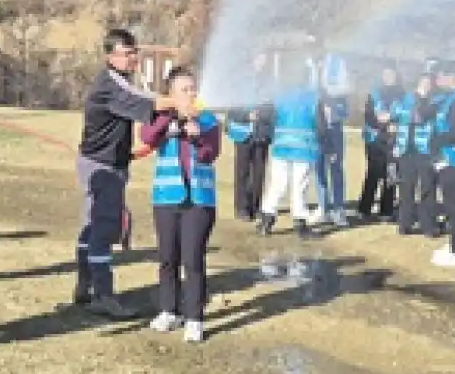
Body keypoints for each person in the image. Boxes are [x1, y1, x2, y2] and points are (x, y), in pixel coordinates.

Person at [74, 28, 180, 319]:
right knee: (104, 229)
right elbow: (150, 103)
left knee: (90, 226)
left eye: (135, 52)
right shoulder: (111, 84)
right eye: (128, 53)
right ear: (111, 56)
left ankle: (84, 287)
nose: (133, 58)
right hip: (103, 167)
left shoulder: (119, 81)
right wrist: (184, 101)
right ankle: (103, 295)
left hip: (102, 162)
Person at [139, 67, 221, 343]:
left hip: (199, 201)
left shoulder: (208, 119)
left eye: (193, 88)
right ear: (171, 94)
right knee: (167, 257)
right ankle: (168, 310)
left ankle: (195, 317)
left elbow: (211, 154)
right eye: (184, 89)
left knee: (193, 259)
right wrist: (169, 121)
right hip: (166, 198)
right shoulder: (161, 115)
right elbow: (147, 137)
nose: (191, 93)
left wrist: (197, 136)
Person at [417, 61, 455, 268]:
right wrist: (423, 95)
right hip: (449, 160)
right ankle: (454, 246)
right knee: (453, 205)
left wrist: (437, 141)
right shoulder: (447, 99)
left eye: (441, 76)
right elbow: (422, 114)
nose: (437, 80)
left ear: (454, 77)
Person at [257, 57, 325, 239]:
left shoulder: (279, 95)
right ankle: (300, 223)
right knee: (299, 185)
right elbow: (320, 124)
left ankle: (266, 219)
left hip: (281, 146)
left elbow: (267, 117)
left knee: (277, 183)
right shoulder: (313, 98)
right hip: (304, 147)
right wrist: (322, 141)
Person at [393, 68, 442, 238]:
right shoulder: (405, 99)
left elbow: (435, 122)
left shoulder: (436, 101)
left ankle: (428, 226)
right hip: (406, 149)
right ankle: (404, 223)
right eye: (424, 82)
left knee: (427, 188)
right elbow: (395, 113)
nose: (427, 86)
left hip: (426, 150)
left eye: (430, 83)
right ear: (418, 83)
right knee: (406, 187)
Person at [225, 54, 273, 221]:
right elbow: (231, 109)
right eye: (259, 57)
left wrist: (263, 115)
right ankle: (242, 208)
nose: (263, 61)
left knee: (259, 172)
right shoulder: (239, 82)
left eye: (264, 58)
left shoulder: (270, 82)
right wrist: (247, 116)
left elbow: (273, 107)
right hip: (243, 132)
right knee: (242, 171)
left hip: (262, 133)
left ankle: (256, 206)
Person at [358, 60, 403, 222]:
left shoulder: (403, 95)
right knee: (373, 173)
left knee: (390, 174)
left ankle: (387, 209)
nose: (388, 77)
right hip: (374, 139)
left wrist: (394, 123)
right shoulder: (374, 93)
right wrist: (381, 124)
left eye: (391, 74)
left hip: (393, 140)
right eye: (385, 74)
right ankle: (365, 208)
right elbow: (368, 115)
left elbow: (404, 115)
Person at [312, 50, 350, 227]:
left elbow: (346, 88)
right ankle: (323, 207)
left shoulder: (337, 61)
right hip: (315, 124)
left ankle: (339, 209)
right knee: (318, 167)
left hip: (333, 123)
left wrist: (326, 92)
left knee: (335, 166)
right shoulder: (307, 63)